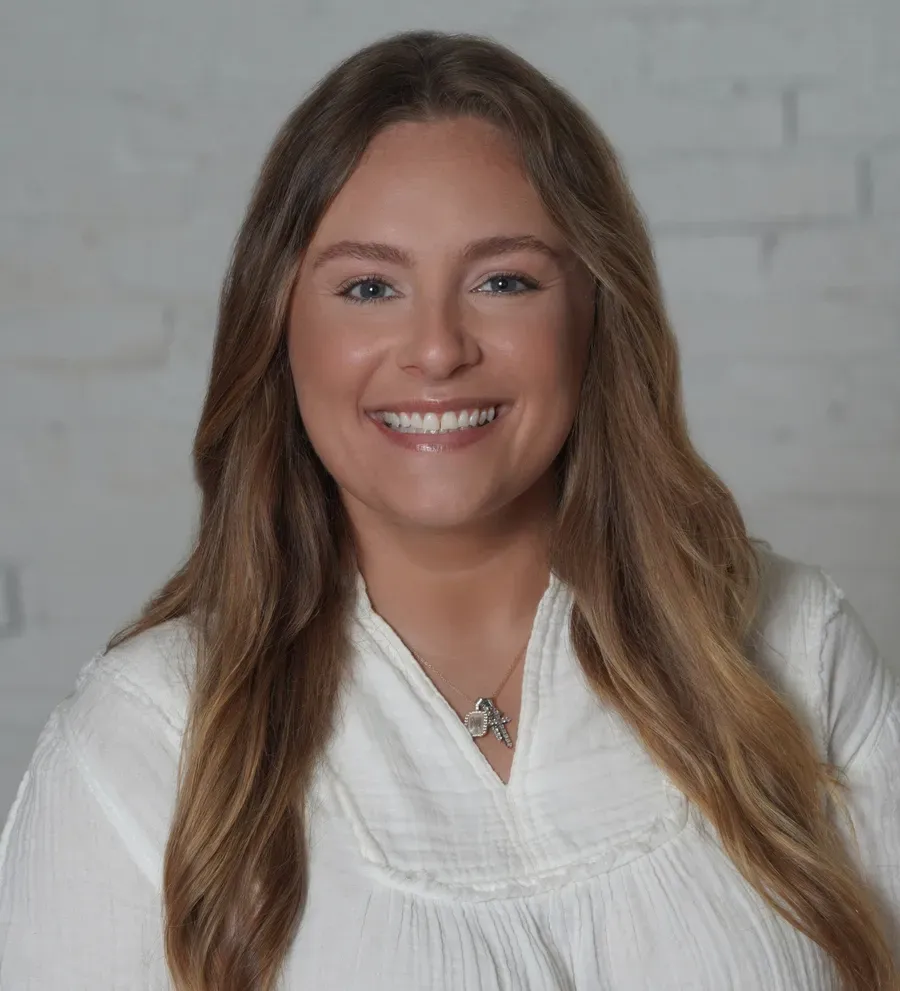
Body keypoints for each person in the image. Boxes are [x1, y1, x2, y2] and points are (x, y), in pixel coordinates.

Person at [0, 27, 897, 991]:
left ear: (595, 312)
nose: (436, 349)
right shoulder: (147, 741)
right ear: (279, 324)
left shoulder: (793, 648)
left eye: (503, 280)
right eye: (369, 287)